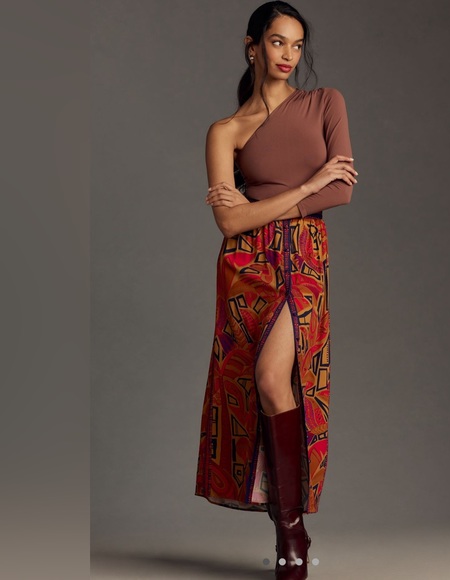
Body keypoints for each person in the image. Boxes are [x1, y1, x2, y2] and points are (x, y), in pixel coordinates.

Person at [195, 2, 357, 578]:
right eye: (277, 42)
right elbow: (228, 222)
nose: (289, 55)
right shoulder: (225, 131)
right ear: (253, 47)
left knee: (273, 378)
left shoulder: (325, 102)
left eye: (297, 44)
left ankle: (292, 532)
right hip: (246, 267)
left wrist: (261, 203)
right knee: (259, 389)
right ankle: (290, 531)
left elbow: (341, 191)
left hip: (304, 255)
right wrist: (308, 186)